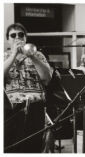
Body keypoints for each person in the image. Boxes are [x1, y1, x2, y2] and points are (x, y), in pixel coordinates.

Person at [4, 23, 52, 153]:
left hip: (35, 107)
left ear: (26, 37)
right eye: (13, 35)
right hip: (12, 109)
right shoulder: (3, 57)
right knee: (11, 146)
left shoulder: (38, 55)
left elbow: (47, 77)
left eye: (21, 34)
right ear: (8, 39)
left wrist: (31, 56)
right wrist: (13, 54)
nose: (17, 37)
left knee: (34, 146)